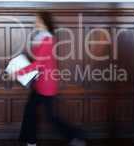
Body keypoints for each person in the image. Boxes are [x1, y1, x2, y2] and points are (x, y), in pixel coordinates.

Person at [12, 12, 86, 146]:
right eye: (36, 21)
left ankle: (76, 135)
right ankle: (30, 141)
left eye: (39, 21)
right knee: (30, 110)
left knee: (50, 117)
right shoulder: (41, 38)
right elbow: (38, 62)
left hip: (46, 85)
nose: (36, 23)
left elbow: (39, 64)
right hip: (39, 83)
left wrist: (18, 72)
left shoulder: (47, 40)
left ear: (45, 23)